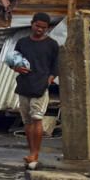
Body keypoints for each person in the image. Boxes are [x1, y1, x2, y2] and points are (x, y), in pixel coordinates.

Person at [12, 12, 59, 167]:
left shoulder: (52, 44)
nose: (40, 29)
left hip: (40, 86)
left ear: (47, 28)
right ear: (32, 24)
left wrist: (49, 79)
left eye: (43, 28)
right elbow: (13, 61)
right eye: (37, 26)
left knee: (37, 118)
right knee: (27, 121)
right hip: (24, 85)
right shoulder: (22, 43)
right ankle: (31, 152)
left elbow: (55, 67)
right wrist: (17, 68)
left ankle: (35, 154)